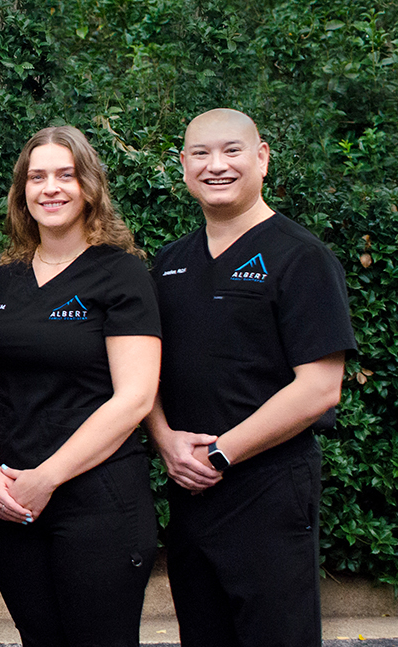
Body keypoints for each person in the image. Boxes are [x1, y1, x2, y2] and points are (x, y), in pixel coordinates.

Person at [147, 109, 355, 647]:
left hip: (269, 486)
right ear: (183, 166)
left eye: (232, 151)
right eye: (201, 154)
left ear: (261, 157)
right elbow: (141, 374)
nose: (216, 165)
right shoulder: (169, 264)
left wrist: (221, 454)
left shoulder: (302, 257)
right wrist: (166, 440)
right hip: (190, 488)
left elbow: (319, 388)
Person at [0, 126, 161, 646]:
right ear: (21, 192)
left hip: (100, 502)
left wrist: (47, 477)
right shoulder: (0, 280)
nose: (50, 188)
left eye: (64, 175)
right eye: (37, 176)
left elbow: (135, 396)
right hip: (11, 502)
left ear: (88, 187)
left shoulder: (123, 275)